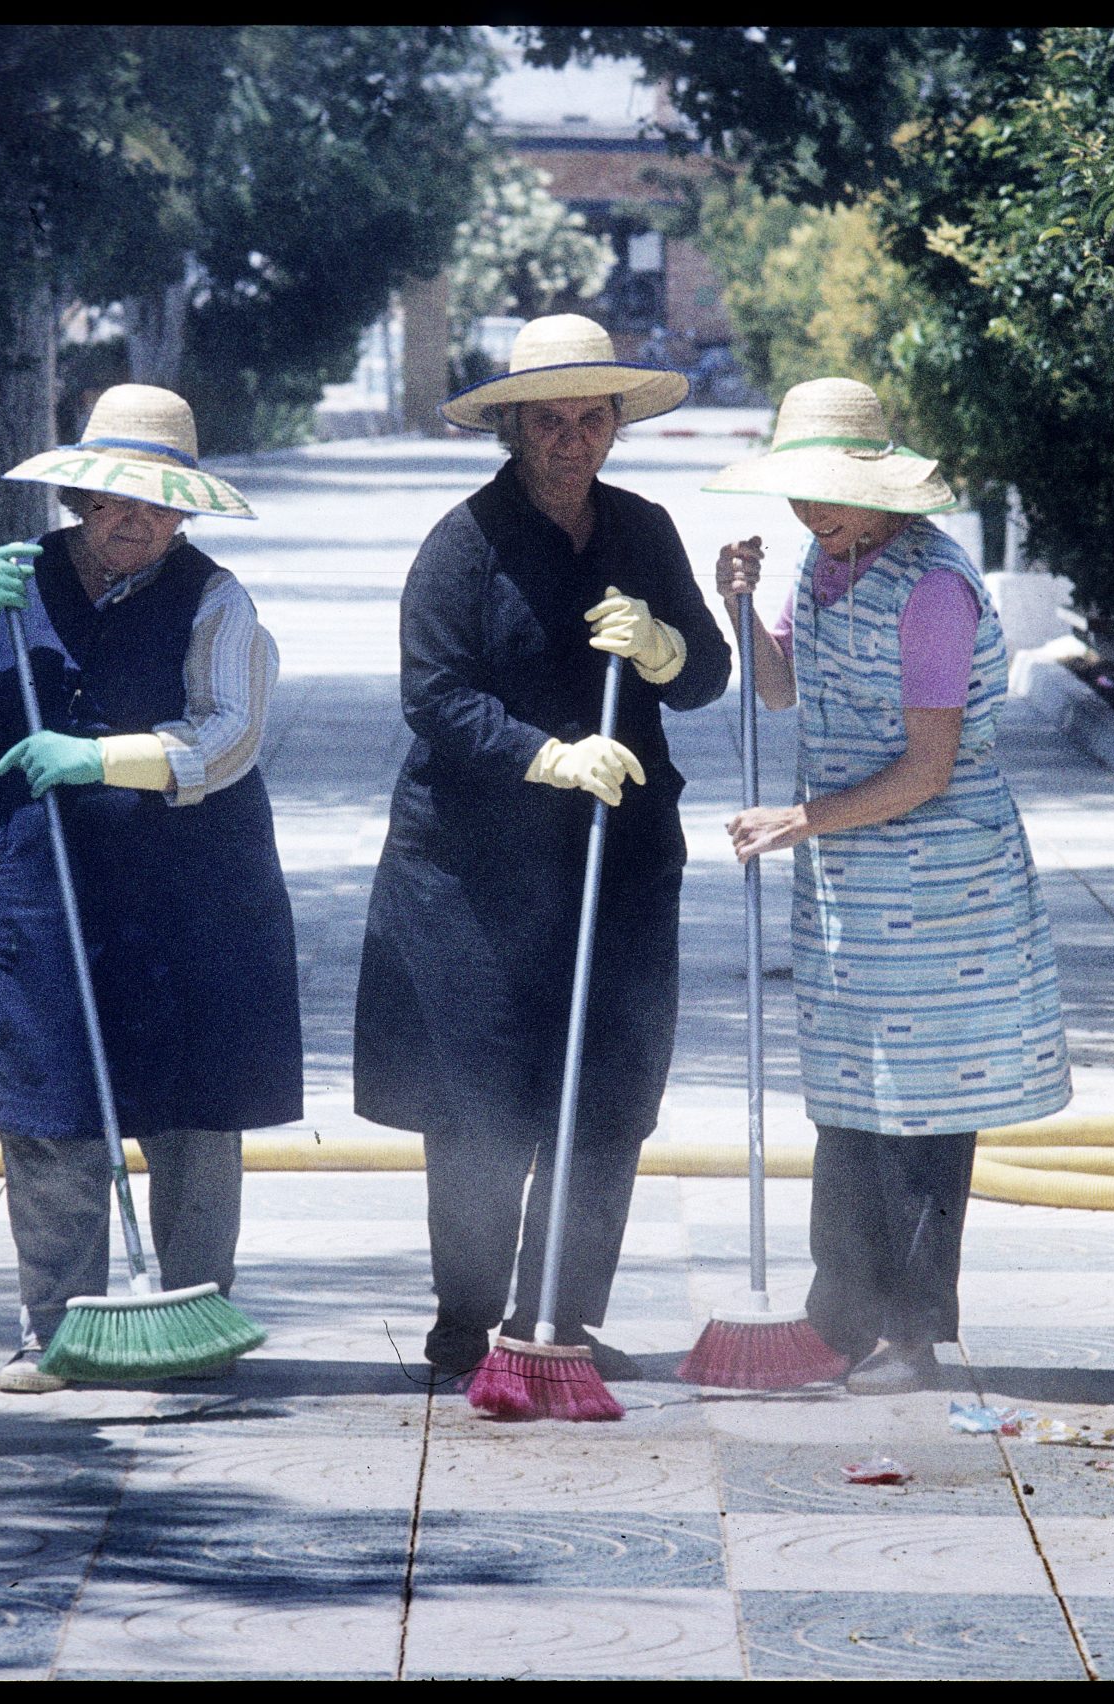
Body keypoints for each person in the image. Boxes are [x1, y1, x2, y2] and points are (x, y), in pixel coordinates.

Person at [0, 385, 301, 1395]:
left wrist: (97, 758)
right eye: (116, 498)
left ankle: (194, 1313)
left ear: (185, 511)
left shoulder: (217, 598)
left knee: (195, 1115)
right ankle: (54, 1331)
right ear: (77, 495)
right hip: (42, 885)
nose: (136, 519)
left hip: (190, 893)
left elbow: (230, 734)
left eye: (159, 503)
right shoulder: (13, 584)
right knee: (49, 1108)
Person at [353, 314, 730, 1382]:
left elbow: (703, 674)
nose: (573, 439)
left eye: (592, 418)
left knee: (607, 1089)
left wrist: (662, 648)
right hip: (472, 871)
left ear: (615, 425)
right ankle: (467, 1320)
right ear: (512, 429)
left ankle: (561, 1314)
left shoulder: (644, 531)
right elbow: (431, 695)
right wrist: (546, 756)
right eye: (550, 421)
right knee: (482, 1101)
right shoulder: (462, 544)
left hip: (620, 860)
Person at [706, 378, 1073, 1395]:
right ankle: (839, 1318)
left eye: (829, 496)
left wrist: (799, 820)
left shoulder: (933, 590)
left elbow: (928, 768)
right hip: (846, 882)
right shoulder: (821, 569)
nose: (811, 517)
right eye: (798, 496)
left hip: (940, 879)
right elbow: (781, 687)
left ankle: (911, 1331)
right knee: (846, 1096)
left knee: (922, 1103)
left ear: (882, 489)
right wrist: (737, 607)